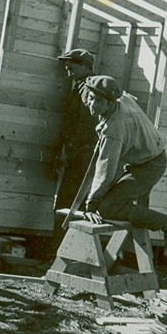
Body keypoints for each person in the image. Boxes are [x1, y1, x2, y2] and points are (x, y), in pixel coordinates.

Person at [80, 75, 167, 256]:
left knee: (107, 207)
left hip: (150, 165)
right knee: (116, 199)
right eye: (90, 98)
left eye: (98, 101)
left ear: (110, 101)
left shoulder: (113, 129)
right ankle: (124, 255)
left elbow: (105, 170)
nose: (92, 105)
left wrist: (91, 203)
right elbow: (124, 96)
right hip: (145, 157)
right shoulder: (123, 97)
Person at [52, 49, 99, 241]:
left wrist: (70, 148)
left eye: (72, 67)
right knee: (69, 203)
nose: (68, 71)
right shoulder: (80, 85)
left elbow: (87, 124)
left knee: (69, 204)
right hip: (79, 153)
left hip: (82, 155)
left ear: (86, 66)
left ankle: (61, 253)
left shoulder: (88, 88)